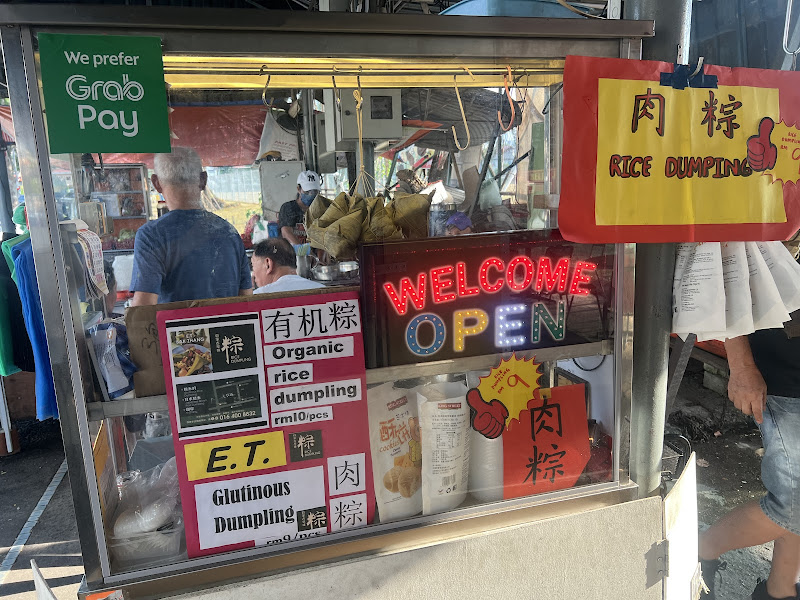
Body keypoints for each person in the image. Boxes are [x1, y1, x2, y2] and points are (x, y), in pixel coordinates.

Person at [700, 330, 800, 600]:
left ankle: (781, 591)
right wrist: (741, 366)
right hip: (785, 372)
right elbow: (728, 287)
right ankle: (699, 552)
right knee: (793, 502)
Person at [129, 147, 252, 305]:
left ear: (156, 183)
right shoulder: (230, 233)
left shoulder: (151, 235)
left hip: (178, 330)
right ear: (203, 180)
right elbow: (247, 300)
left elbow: (143, 309)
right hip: (230, 329)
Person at [251, 238, 325, 294]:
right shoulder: (323, 291)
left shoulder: (258, 297)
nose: (253, 274)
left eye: (253, 265)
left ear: (268, 265)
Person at [279, 170, 321, 245]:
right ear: (299, 189)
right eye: (307, 192)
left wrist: (319, 256)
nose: (311, 195)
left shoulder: (320, 209)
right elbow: (286, 233)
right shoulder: (288, 208)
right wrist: (304, 251)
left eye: (314, 192)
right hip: (293, 253)